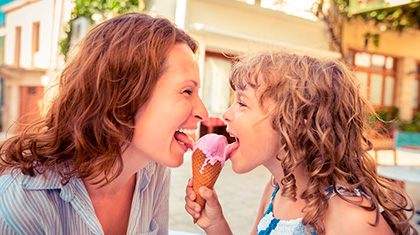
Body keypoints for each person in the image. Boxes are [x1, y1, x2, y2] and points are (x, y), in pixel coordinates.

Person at [0, 12, 208, 235]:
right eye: (187, 91)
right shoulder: (20, 206)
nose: (203, 113)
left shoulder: (153, 168)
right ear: (125, 96)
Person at [185, 51, 417, 235]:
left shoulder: (353, 219)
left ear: (297, 125)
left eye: (242, 103)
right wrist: (216, 225)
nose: (226, 114)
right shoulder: (277, 190)